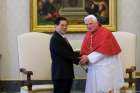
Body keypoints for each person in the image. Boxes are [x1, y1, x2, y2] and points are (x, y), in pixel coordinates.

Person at [80, 15, 124, 93]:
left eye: (90, 23)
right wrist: (84, 56)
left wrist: (88, 58)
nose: (88, 26)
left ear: (97, 23)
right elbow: (85, 50)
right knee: (93, 89)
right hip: (93, 68)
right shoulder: (88, 34)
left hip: (105, 68)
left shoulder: (105, 33)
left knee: (104, 89)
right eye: (86, 24)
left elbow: (104, 51)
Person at [49, 16, 80, 93]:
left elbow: (69, 53)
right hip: (61, 75)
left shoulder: (61, 38)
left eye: (66, 25)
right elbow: (66, 54)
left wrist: (81, 53)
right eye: (62, 25)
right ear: (56, 26)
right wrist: (80, 60)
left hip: (65, 74)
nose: (65, 27)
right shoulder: (56, 39)